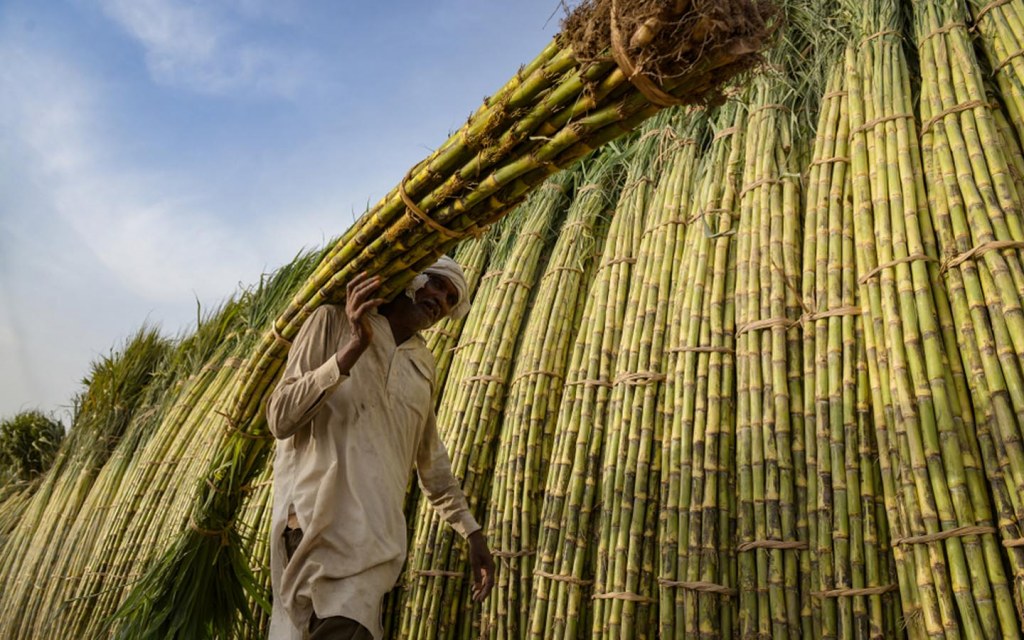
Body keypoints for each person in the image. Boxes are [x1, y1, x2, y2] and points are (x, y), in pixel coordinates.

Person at [266, 256, 494, 640]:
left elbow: (432, 464)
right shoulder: (332, 320)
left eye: (451, 297)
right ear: (412, 277)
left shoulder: (423, 366)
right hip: (317, 524)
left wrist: (472, 532)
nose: (440, 298)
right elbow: (280, 416)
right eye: (436, 284)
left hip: (376, 545)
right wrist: (353, 348)